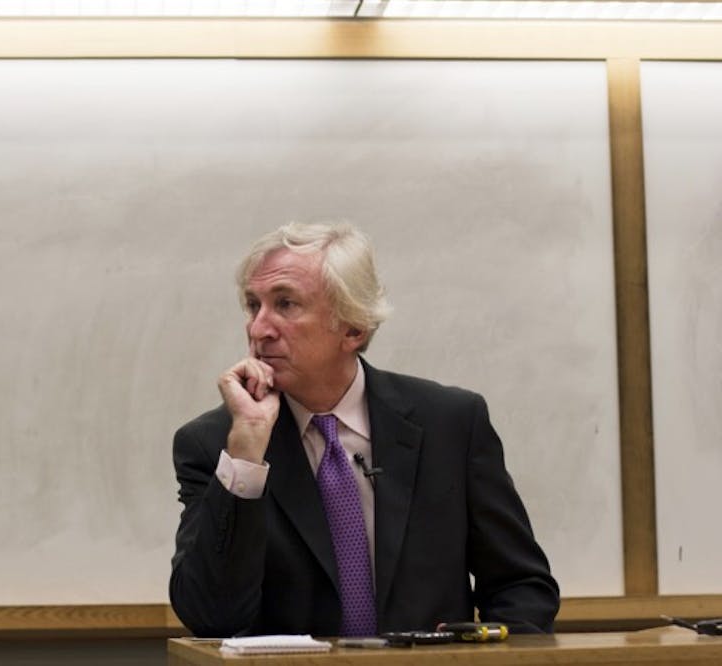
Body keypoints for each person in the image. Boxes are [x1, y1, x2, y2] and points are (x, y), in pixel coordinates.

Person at [169, 222, 559, 638]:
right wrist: (246, 454)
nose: (258, 328)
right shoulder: (213, 444)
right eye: (252, 305)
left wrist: (487, 653)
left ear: (353, 327)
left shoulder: (451, 423)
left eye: (285, 304)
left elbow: (522, 587)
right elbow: (211, 617)